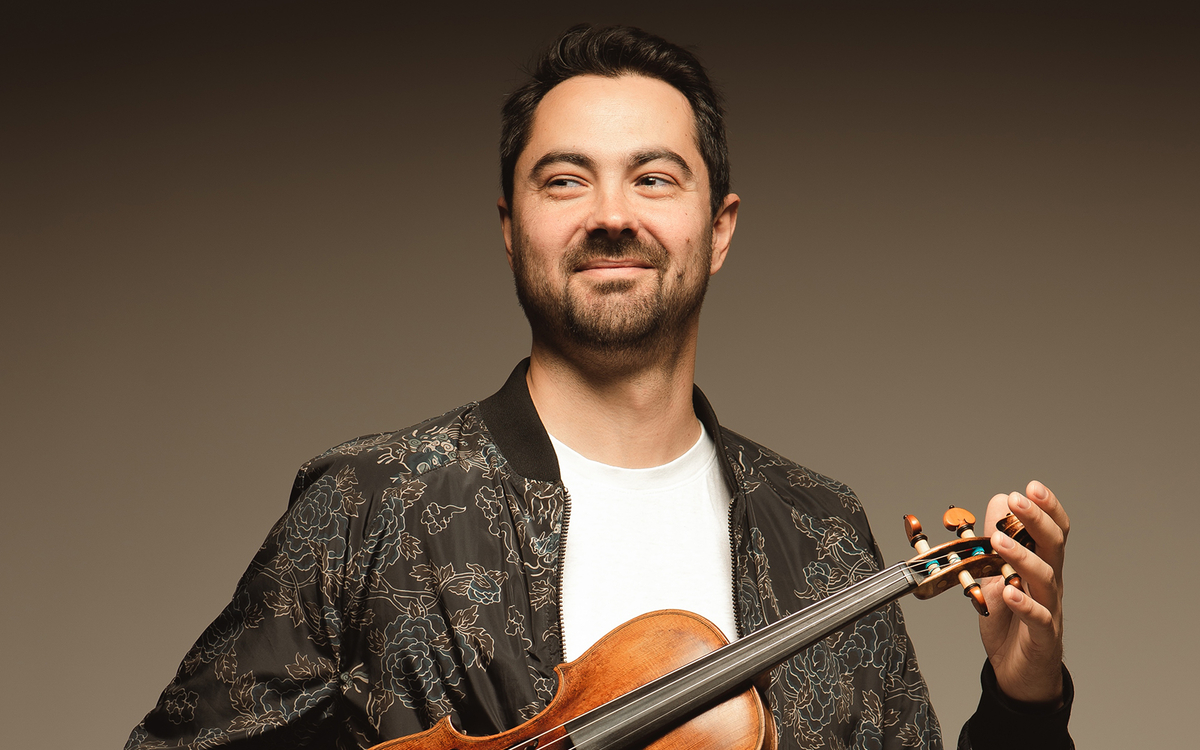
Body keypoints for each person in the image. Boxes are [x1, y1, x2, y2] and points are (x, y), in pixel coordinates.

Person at [126, 24, 1072, 750]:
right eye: (565, 181)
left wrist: (1024, 699)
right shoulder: (369, 506)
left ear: (719, 228)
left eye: (654, 179)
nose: (612, 215)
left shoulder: (821, 533)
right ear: (511, 228)